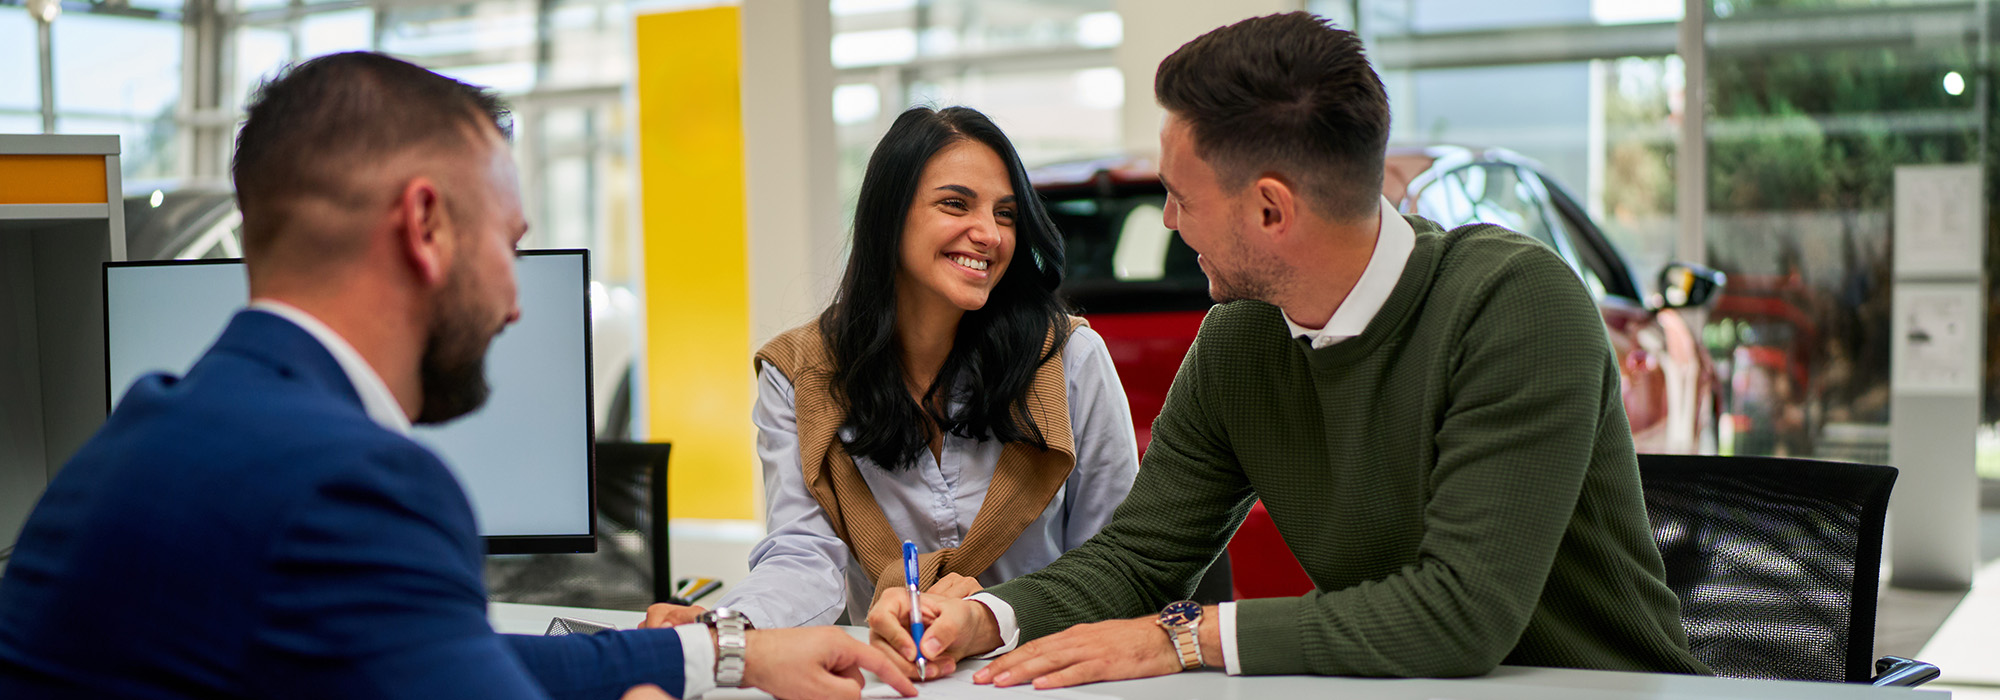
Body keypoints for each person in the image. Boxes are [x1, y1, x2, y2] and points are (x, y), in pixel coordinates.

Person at [0, 52, 916, 700]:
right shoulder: (353, 485)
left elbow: (455, 656)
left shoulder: (137, 439)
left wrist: (721, 658)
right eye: (509, 246)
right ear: (426, 224)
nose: (518, 303)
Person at [867, 13, 1710, 688]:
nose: (1165, 222)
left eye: (1178, 196)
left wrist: (1186, 639)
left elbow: (1460, 616)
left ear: (1270, 211)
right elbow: (1141, 555)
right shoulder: (1240, 339)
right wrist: (985, 617)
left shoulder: (1515, 306)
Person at [643, 107, 1139, 658]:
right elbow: (804, 556)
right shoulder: (799, 374)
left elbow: (1111, 563)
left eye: (1006, 214)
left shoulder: (1069, 359)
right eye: (955, 204)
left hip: (1042, 675)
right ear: (890, 215)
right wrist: (728, 628)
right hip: (895, 677)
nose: (989, 234)